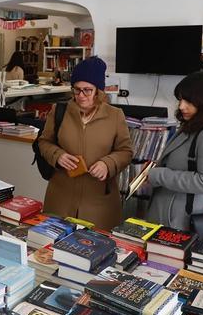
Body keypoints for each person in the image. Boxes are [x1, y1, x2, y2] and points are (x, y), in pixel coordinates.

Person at [38, 56, 132, 230]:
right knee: (53, 250)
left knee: (92, 250)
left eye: (87, 90)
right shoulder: (59, 111)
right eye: (77, 90)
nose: (81, 96)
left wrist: (108, 164)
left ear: (99, 91)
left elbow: (126, 151)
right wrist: (57, 155)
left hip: (99, 204)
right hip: (60, 198)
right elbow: (44, 142)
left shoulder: (115, 115)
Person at [146, 71, 203, 229]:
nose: (181, 106)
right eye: (180, 100)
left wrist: (159, 175)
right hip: (169, 214)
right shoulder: (194, 125)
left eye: (189, 101)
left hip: (181, 221)